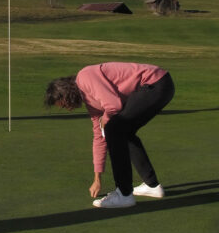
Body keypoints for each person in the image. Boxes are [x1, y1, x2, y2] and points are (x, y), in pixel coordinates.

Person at [44, 62, 175, 209]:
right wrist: (97, 178)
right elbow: (99, 136)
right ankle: (152, 186)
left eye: (63, 104)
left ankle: (124, 195)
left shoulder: (84, 77)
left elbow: (114, 105)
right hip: (158, 86)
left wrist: (105, 120)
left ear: (65, 93)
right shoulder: (91, 103)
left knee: (114, 129)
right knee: (123, 132)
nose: (67, 109)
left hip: (155, 83)